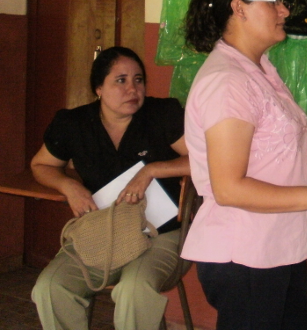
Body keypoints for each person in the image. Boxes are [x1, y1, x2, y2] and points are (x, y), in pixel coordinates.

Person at [179, 0, 307, 329]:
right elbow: (229, 188)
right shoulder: (228, 83)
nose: (284, 10)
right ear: (239, 7)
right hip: (244, 255)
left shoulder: (260, 68)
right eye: (274, 1)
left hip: (275, 248)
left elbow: (275, 161)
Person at [31, 46, 190, 329]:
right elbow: (41, 165)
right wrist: (69, 186)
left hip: (162, 233)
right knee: (51, 287)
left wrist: (152, 170)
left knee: (133, 289)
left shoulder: (162, 114)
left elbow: (206, 161)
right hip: (105, 230)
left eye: (138, 80)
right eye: (121, 80)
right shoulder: (73, 123)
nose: (132, 88)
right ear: (98, 88)